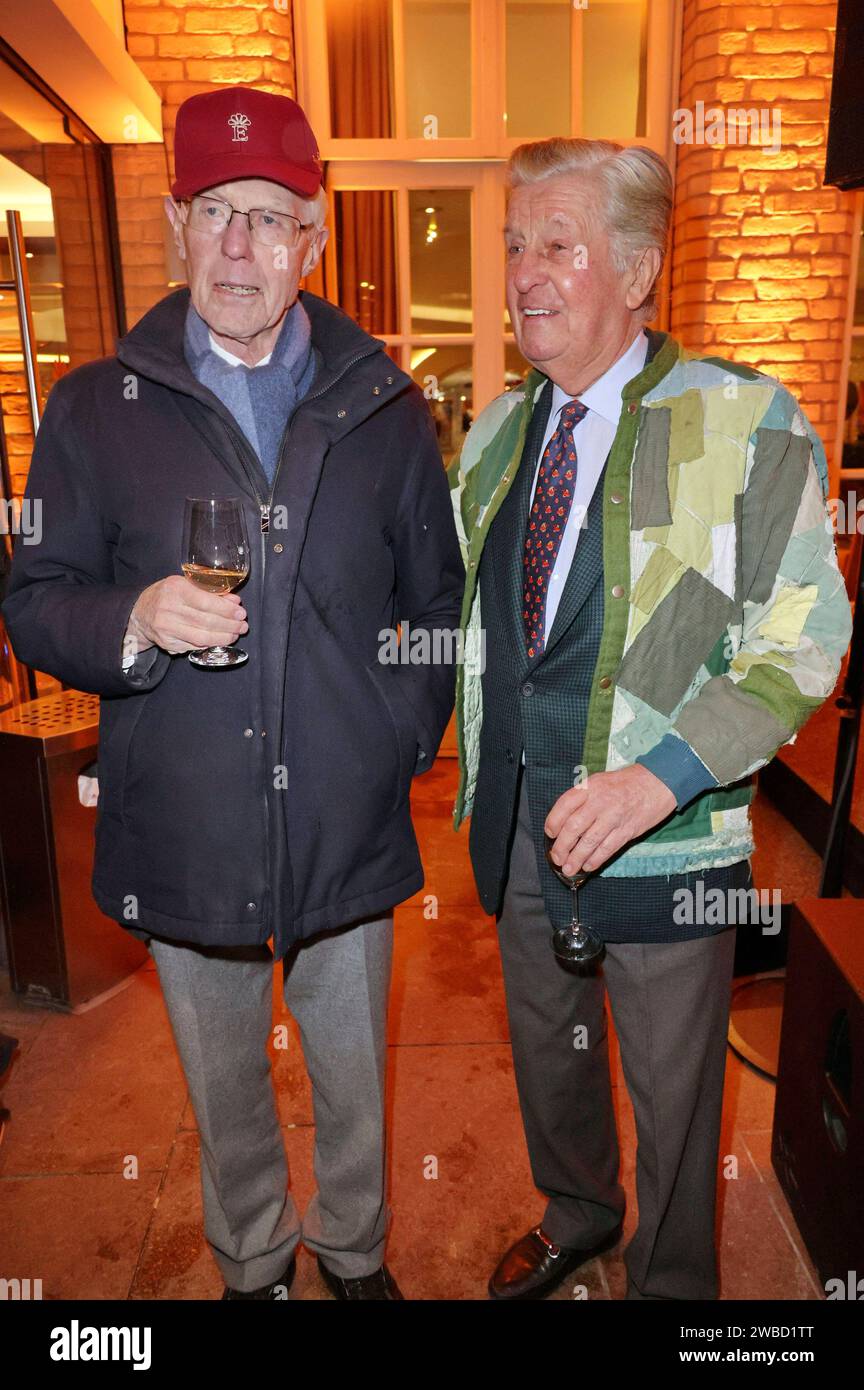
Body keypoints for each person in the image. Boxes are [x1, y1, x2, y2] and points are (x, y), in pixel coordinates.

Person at [4, 86, 464, 1301]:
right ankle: (255, 1259)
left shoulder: (385, 407)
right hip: (186, 819)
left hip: (345, 819)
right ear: (175, 224)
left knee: (357, 1073)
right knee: (222, 1080)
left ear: (313, 240)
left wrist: (397, 740)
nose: (242, 248)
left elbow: (439, 601)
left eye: (271, 219)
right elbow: (34, 597)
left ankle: (354, 1253)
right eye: (216, 214)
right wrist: (137, 619)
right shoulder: (98, 409)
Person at [447, 137, 853, 1301]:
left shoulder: (747, 423)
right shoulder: (492, 437)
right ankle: (578, 1211)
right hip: (523, 821)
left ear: (636, 271)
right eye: (514, 244)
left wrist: (659, 777)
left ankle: (674, 1291)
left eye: (557, 246)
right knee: (548, 1050)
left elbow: (806, 638)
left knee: (679, 1097)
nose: (523, 273)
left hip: (671, 841)